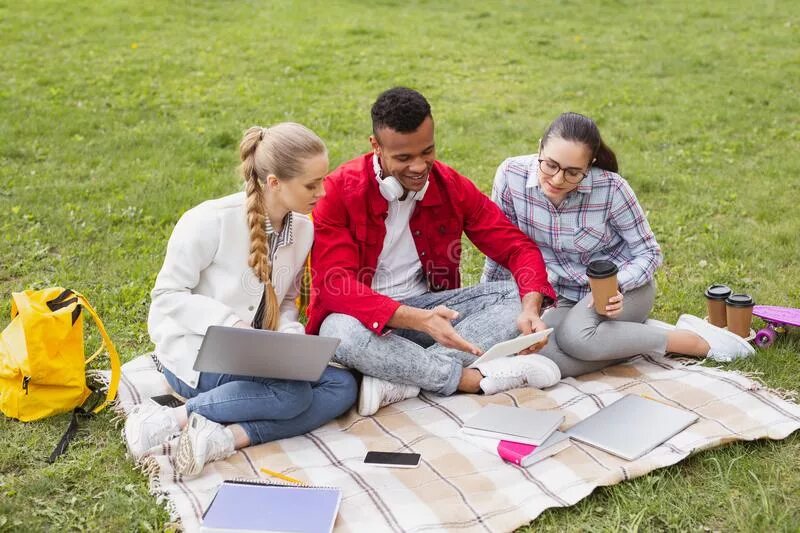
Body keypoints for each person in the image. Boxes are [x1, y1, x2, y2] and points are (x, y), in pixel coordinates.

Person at [307, 87, 562, 417]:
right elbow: (333, 286)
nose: (418, 166)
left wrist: (531, 305)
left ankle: (398, 379)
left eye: (427, 152)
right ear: (376, 147)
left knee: (516, 297)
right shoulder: (339, 190)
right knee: (337, 333)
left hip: (432, 317)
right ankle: (464, 378)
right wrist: (416, 319)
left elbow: (517, 247)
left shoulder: (450, 186)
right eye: (403, 158)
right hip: (363, 319)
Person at [124, 123, 357, 476]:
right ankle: (170, 418)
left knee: (342, 385)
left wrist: (290, 332)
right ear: (275, 182)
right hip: (197, 353)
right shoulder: (208, 221)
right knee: (293, 396)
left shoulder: (303, 229)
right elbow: (167, 295)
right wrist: (229, 324)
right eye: (312, 184)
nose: (323, 193)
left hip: (262, 354)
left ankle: (226, 438)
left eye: (322, 180)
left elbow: (290, 297)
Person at [482, 112, 754, 377]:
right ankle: (628, 339)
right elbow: (501, 246)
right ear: (540, 147)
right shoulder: (511, 175)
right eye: (550, 165)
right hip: (562, 294)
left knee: (576, 339)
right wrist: (486, 300)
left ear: (589, 167)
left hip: (622, 291)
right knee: (538, 352)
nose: (557, 179)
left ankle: (690, 342)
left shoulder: (611, 189)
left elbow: (648, 252)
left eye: (573, 173)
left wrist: (617, 286)